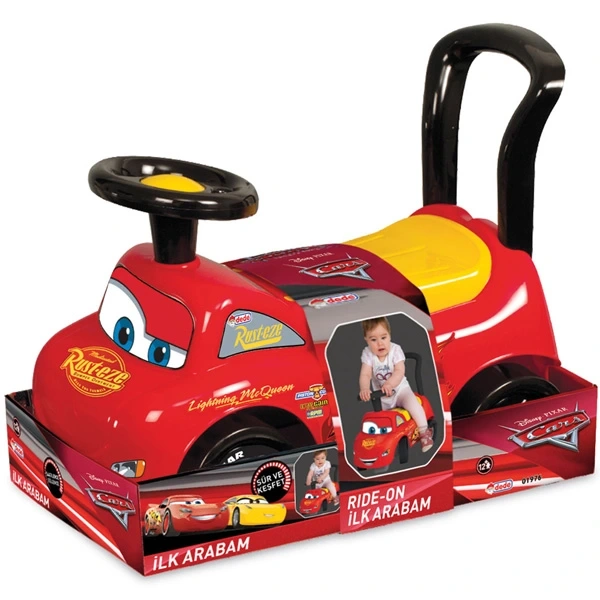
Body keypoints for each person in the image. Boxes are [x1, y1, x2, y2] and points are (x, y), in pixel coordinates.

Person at [358, 316, 434, 452]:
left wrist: (389, 384)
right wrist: (364, 388)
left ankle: (424, 433)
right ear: (366, 340)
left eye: (383, 337)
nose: (380, 343)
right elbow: (365, 374)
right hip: (383, 397)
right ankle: (382, 444)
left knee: (414, 406)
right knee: (381, 422)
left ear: (389, 335)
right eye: (373, 340)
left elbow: (399, 371)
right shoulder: (368, 354)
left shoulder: (395, 350)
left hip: (400, 391)